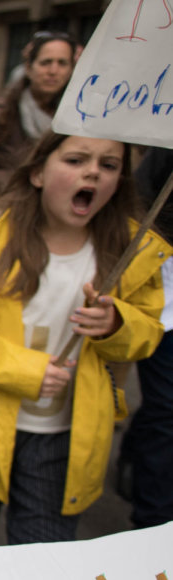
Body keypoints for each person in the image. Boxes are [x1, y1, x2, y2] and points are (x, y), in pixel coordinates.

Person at [0, 132, 169, 551]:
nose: (93, 172)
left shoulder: (133, 253)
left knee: (45, 558)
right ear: (39, 172)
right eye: (77, 160)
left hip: (64, 441)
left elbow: (148, 335)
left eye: (109, 165)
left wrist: (118, 323)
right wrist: (25, 370)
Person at [118, 146, 173, 529]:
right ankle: (154, 520)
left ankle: (135, 452)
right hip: (165, 290)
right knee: (167, 407)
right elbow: (140, 200)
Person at [0, 31, 75, 203]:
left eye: (62, 63)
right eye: (46, 62)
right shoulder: (2, 114)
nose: (53, 71)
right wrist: (19, 181)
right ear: (29, 68)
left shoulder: (77, 121)